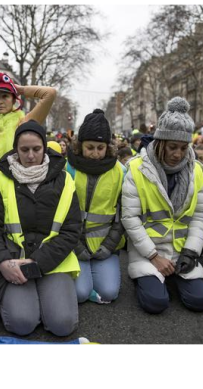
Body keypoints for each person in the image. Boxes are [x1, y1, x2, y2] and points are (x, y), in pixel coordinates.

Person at [0, 121, 81, 336]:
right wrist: (2, 262)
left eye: (36, 149)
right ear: (16, 150)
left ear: (45, 148)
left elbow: (71, 230)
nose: (31, 155)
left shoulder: (65, 180)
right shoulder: (1, 179)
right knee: (21, 323)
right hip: (13, 261)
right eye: (24, 150)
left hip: (54, 262)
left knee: (62, 325)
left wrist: (38, 263)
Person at [122, 97, 203, 314]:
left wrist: (190, 253)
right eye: (172, 147)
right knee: (156, 304)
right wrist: (154, 257)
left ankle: (171, 277)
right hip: (148, 252)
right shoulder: (136, 169)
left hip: (182, 253)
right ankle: (154, 279)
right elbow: (130, 219)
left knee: (200, 302)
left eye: (183, 147)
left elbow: (200, 216)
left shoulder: (197, 170)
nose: (178, 154)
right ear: (160, 142)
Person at [66, 109, 125, 304]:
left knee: (109, 293)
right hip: (74, 244)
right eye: (90, 147)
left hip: (104, 245)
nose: (95, 154)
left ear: (107, 147)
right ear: (79, 145)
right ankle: (87, 283)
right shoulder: (67, 169)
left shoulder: (120, 172)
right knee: (80, 294)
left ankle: (93, 278)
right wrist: (76, 247)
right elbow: (61, 214)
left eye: (100, 148)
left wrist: (109, 247)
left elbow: (123, 214)